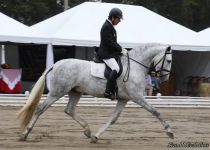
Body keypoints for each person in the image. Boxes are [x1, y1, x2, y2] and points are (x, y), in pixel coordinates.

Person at [96, 8, 127, 100]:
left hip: (110, 53)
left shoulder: (110, 26)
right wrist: (120, 49)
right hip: (105, 54)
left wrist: (122, 49)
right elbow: (109, 43)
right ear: (113, 18)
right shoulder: (106, 27)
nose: (119, 21)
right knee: (116, 68)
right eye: (118, 19)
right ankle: (108, 91)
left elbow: (114, 42)